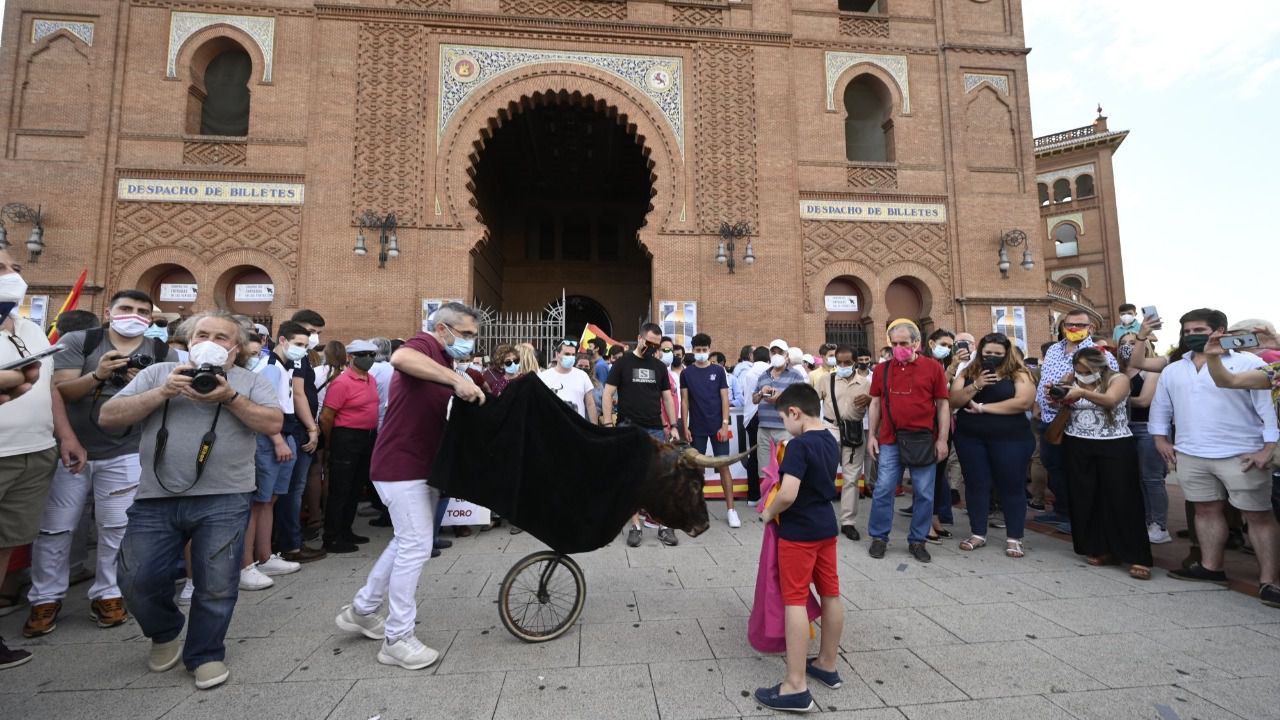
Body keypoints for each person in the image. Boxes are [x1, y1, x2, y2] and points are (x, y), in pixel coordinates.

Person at [104, 310, 283, 689]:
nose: (212, 343)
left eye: (222, 337)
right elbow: (109, 417)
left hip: (225, 496)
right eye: (203, 334)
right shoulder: (157, 374)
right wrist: (163, 392)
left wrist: (231, 398)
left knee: (216, 582)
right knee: (136, 577)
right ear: (187, 341)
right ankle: (165, 630)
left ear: (236, 349)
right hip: (155, 497)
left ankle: (205, 653)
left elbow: (272, 424)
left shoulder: (247, 382)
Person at [334, 303, 486, 669]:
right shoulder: (425, 346)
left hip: (419, 465)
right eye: (464, 334)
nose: (468, 342)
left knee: (405, 541)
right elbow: (401, 357)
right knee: (417, 545)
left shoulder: (446, 362)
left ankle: (362, 609)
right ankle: (398, 638)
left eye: (472, 337)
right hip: (402, 466)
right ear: (442, 329)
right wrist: (456, 381)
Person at [23, 290, 176, 639]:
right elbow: (61, 391)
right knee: (57, 527)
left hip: (126, 449)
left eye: (141, 311)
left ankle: (109, 593)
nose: (133, 316)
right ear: (109, 311)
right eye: (126, 308)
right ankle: (45, 598)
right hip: (74, 448)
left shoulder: (161, 352)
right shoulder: (81, 340)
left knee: (116, 526)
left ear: (150, 319)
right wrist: (98, 374)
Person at [1150, 309, 1279, 607]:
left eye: (1199, 330)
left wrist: (1267, 448)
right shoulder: (1174, 369)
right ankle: (1211, 568)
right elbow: (1161, 407)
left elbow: (1267, 408)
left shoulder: (1249, 362)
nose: (1192, 336)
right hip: (1192, 452)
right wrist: (1160, 439)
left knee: (1258, 515)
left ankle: (1270, 581)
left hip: (1242, 453)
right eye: (1186, 331)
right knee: (1205, 510)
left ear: (1219, 330)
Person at [0, 251, 85, 670]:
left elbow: (47, 386)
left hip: (34, 451)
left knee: (6, 542)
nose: (14, 276)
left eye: (15, 268)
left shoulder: (32, 328)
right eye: (2, 269)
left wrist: (65, 435)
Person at [754, 383, 844, 713]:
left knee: (794, 600)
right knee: (831, 593)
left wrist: (768, 512)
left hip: (799, 532)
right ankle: (827, 664)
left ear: (795, 413)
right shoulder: (829, 439)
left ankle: (795, 685)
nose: (784, 426)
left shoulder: (798, 446)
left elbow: (788, 492)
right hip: (825, 526)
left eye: (784, 419)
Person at [1050, 347, 1152, 579]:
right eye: (1079, 370)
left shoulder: (1119, 379)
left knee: (1122, 497)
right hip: (1077, 442)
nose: (1083, 374)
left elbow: (1110, 400)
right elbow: (1063, 404)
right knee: (1086, 496)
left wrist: (1081, 393)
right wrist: (1059, 394)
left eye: (1087, 370)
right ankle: (1099, 547)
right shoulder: (1071, 380)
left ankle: (1137, 555)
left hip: (1113, 443)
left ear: (1100, 366)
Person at [866, 319, 949, 563]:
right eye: (895, 343)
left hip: (923, 440)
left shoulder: (933, 368)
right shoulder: (882, 370)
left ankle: (918, 540)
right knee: (883, 489)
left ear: (916, 343)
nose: (899, 347)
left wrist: (942, 439)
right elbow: (874, 403)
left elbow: (943, 404)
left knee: (924, 492)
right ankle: (879, 537)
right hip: (890, 439)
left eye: (904, 343)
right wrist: (872, 435)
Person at [949, 334, 1036, 558]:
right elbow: (953, 401)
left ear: (1007, 353)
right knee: (977, 484)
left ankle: (1014, 537)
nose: (993, 357)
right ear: (980, 352)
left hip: (1011, 438)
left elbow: (1024, 402)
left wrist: (983, 408)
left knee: (1011, 485)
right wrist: (977, 385)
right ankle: (978, 532)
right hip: (971, 438)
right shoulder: (969, 373)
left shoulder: (1018, 373)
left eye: (998, 354)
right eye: (988, 353)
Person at [239, 322, 311, 590]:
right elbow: (263, 406)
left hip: (286, 433)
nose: (302, 350)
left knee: (270, 499)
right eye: (299, 344)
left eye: (305, 345)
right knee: (259, 501)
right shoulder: (269, 367)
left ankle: (265, 555)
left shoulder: (285, 366)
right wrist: (277, 439)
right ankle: (246, 564)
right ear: (282, 340)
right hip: (272, 438)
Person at [1034, 310, 1117, 531]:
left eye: (1080, 325)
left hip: (1077, 421)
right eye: (1069, 324)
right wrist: (1038, 403)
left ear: (1091, 328)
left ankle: (1078, 517)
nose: (1073, 328)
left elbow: (1109, 388)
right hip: (1050, 418)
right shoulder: (1053, 349)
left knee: (1076, 470)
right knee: (1054, 466)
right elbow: (1045, 379)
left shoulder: (1100, 354)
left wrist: (1071, 391)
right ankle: (1062, 510)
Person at [602, 323, 682, 547]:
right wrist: (608, 424)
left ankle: (665, 525)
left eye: (655, 345)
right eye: (648, 343)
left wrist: (673, 425)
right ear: (639, 338)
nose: (651, 348)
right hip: (628, 428)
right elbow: (608, 394)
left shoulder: (659, 367)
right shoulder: (622, 363)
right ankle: (635, 526)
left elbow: (667, 398)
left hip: (655, 427)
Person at [320, 340, 381, 554]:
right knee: (341, 489)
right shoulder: (342, 382)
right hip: (346, 438)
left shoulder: (370, 380)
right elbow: (327, 416)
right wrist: (330, 442)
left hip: (366, 437)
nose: (370, 358)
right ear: (351, 357)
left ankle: (346, 530)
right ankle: (332, 536)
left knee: (355, 487)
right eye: (364, 354)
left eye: (373, 354)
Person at [279, 310, 326, 565]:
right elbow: (298, 394)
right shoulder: (296, 359)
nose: (314, 337)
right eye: (310, 331)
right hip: (297, 429)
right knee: (293, 490)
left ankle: (291, 541)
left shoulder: (304, 356)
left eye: (318, 333)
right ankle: (291, 544)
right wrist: (312, 427)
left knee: (295, 488)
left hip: (300, 427)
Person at [681, 333, 739, 528]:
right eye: (698, 350)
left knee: (724, 465)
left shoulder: (719, 371)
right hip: (696, 427)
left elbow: (724, 399)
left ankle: (731, 510)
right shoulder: (686, 373)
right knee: (697, 469)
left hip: (717, 427)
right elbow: (684, 401)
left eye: (704, 350)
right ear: (693, 350)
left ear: (709, 349)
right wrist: (685, 426)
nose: (701, 353)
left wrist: (724, 424)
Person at [1117, 332, 1170, 544]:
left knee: (1152, 478)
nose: (1128, 346)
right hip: (1123, 428)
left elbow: (1144, 400)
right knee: (1133, 478)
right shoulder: (1118, 370)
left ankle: (1159, 525)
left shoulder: (1151, 370)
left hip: (1147, 427)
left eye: (1133, 342)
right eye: (1123, 343)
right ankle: (1143, 519)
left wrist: (1113, 396)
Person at [817, 345, 872, 542]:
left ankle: (848, 522)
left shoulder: (865, 383)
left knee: (851, 478)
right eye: (839, 362)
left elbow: (875, 406)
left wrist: (870, 399)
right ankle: (823, 518)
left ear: (855, 362)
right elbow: (813, 403)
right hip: (830, 430)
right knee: (825, 476)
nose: (842, 366)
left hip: (855, 432)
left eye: (847, 363)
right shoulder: (826, 380)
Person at [752, 339, 809, 489]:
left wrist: (781, 397)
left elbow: (802, 399)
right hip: (764, 428)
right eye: (774, 352)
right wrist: (760, 393)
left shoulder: (795, 375)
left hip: (786, 429)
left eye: (780, 352)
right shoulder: (763, 375)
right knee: (764, 469)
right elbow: (754, 399)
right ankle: (767, 501)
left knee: (787, 467)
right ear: (770, 354)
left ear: (786, 355)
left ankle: (785, 501)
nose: (776, 355)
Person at [739, 345, 771, 506]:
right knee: (771, 457)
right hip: (768, 416)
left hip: (751, 416)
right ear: (769, 357)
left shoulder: (749, 373)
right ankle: (770, 494)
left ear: (753, 357)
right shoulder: (770, 371)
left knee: (754, 456)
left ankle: (753, 495)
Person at [538, 340, 598, 424]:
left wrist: (594, 428)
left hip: (577, 429)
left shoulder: (583, 376)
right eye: (567, 354)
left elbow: (590, 404)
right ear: (557, 354)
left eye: (573, 354)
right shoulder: (543, 377)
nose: (571, 357)